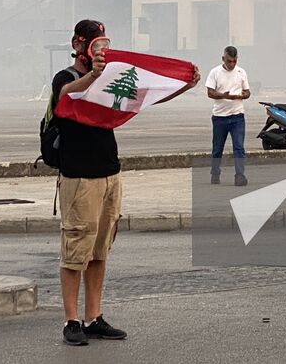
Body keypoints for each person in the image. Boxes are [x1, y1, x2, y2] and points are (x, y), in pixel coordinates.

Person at [51, 19, 197, 346]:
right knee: (75, 250)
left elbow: (141, 97)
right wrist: (93, 75)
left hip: (109, 173)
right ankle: (71, 321)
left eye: (105, 45)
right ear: (78, 44)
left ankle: (93, 317)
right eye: (95, 45)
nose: (102, 51)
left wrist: (180, 85)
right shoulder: (68, 77)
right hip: (79, 177)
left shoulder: (112, 76)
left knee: (100, 250)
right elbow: (64, 96)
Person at [206, 46, 251, 187]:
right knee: (217, 148)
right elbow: (210, 93)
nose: (232, 64)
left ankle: (240, 175)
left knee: (239, 147)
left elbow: (248, 91)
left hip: (237, 115)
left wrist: (244, 95)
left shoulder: (241, 72)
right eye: (229, 61)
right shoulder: (215, 72)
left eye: (234, 61)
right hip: (220, 116)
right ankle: (215, 173)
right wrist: (224, 96)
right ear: (223, 59)